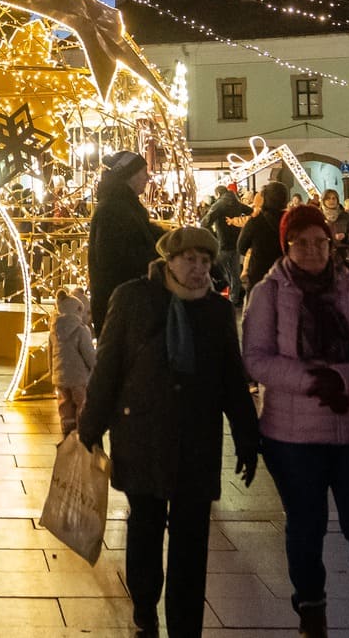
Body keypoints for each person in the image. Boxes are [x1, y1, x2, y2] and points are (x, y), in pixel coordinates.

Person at [80, 227, 258, 638]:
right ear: (169, 261)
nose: (198, 269)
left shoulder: (215, 310)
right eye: (189, 260)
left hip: (197, 438)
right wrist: (90, 427)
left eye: (205, 262)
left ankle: (185, 624)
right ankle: (145, 606)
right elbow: (108, 368)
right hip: (143, 433)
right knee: (145, 525)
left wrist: (247, 435)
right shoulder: (132, 298)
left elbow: (232, 376)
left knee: (192, 539)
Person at [242, 204, 349, 638]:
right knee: (305, 528)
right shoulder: (269, 293)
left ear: (331, 243)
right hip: (293, 436)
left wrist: (341, 377)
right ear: (286, 246)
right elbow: (255, 359)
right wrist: (312, 380)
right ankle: (312, 612)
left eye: (319, 241)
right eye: (301, 242)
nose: (312, 250)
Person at [89, 151, 162, 335]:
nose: (147, 178)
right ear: (130, 175)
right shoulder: (114, 209)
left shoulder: (127, 206)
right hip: (118, 305)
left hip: (126, 303)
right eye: (144, 172)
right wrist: (155, 260)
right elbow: (114, 257)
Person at [49, 288, 96, 435]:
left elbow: (50, 354)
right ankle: (81, 433)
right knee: (82, 406)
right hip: (79, 378)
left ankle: (67, 434)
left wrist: (52, 372)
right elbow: (88, 354)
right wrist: (96, 370)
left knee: (65, 407)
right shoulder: (81, 330)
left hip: (61, 379)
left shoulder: (54, 330)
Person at [239, 181, 291, 296]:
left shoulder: (256, 221)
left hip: (260, 276)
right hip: (286, 275)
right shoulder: (291, 221)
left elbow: (241, 247)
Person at [202, 183, 249, 295]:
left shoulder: (219, 205)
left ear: (218, 194)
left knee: (220, 272)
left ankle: (222, 299)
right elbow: (251, 211)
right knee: (235, 273)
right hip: (236, 243)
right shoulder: (237, 203)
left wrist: (210, 233)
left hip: (223, 242)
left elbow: (206, 221)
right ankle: (234, 299)